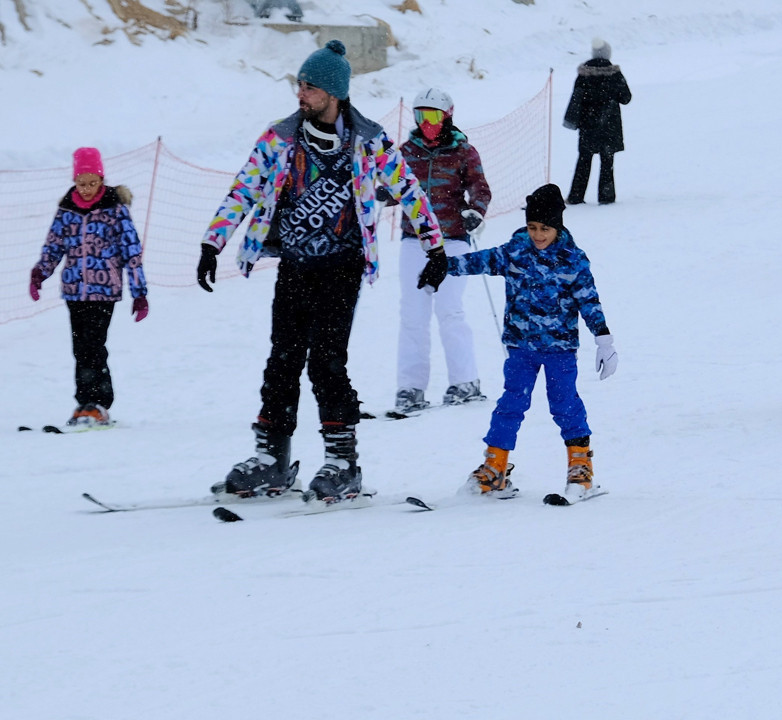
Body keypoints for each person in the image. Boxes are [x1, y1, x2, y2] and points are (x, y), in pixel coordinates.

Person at [196, 40, 446, 503]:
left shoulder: (368, 140)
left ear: (334, 93)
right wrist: (213, 242)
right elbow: (243, 189)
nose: (300, 94)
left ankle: (342, 462)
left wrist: (434, 245)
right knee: (282, 360)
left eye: (309, 87)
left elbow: (408, 189)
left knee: (326, 362)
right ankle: (271, 459)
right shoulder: (280, 137)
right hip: (295, 264)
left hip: (342, 265)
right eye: (299, 85)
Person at [445, 184, 617, 503]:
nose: (538, 235)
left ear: (558, 226)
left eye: (545, 229)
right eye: (532, 227)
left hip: (559, 349)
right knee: (510, 405)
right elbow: (484, 260)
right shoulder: (517, 249)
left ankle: (581, 469)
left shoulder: (572, 260)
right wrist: (444, 266)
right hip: (520, 347)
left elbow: (588, 300)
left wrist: (603, 337)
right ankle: (495, 467)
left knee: (564, 404)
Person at [388, 87, 492, 415]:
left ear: (447, 116)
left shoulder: (462, 151)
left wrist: (475, 210)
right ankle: (410, 388)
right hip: (415, 239)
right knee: (413, 316)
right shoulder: (407, 151)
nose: (426, 123)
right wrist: (385, 191)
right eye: (420, 116)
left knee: (450, 310)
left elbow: (480, 186)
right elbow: (395, 185)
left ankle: (465, 381)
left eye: (432, 116)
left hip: (453, 239)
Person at [30, 147, 149, 428]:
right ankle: (84, 403)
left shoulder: (115, 209)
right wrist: (39, 273)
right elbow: (54, 246)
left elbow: (132, 250)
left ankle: (99, 403)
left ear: (101, 179)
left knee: (94, 345)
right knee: (80, 348)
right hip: (74, 290)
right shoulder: (67, 210)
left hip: (104, 291)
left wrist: (139, 292)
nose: (86, 189)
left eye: (92, 183)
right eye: (81, 183)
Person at [564, 38, 632, 205]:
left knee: (584, 161)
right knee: (607, 162)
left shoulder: (583, 74)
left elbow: (576, 99)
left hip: (588, 125)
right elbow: (626, 98)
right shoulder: (614, 74)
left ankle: (576, 196)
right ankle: (606, 196)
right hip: (609, 125)